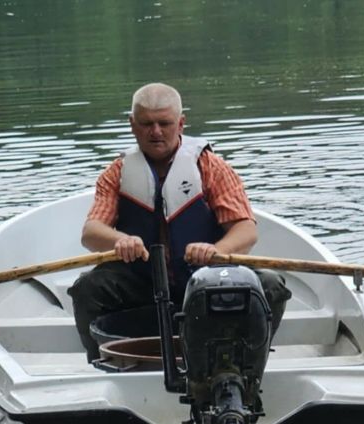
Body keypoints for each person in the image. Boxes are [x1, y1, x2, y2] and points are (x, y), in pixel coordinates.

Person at [68, 82, 291, 362]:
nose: (156, 131)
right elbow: (91, 232)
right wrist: (119, 240)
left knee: (271, 287)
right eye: (146, 123)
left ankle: (245, 366)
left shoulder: (212, 167)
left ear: (181, 123)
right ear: (132, 125)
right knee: (88, 288)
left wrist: (217, 251)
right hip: (142, 282)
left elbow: (245, 230)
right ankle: (103, 362)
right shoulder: (117, 173)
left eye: (164, 123)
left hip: (206, 279)